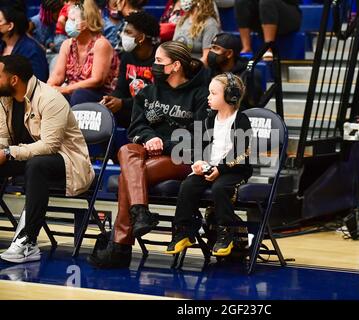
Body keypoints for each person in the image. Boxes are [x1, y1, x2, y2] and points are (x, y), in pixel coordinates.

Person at [87, 41, 210, 268]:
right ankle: (140, 212)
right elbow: (135, 128)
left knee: (128, 176)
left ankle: (120, 245)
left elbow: (200, 136)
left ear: (175, 66)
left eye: (158, 61)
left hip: (182, 157)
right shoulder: (147, 92)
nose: (153, 66)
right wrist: (147, 137)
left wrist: (162, 143)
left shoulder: (201, 95)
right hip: (147, 152)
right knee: (126, 149)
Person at [0, 55, 94, 264]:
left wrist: (7, 152)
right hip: (28, 155)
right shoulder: (4, 99)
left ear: (14, 80)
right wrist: (2, 150)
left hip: (67, 161)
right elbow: (3, 138)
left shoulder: (50, 98)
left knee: (37, 165)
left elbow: (49, 146)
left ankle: (28, 242)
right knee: (28, 163)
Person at [166, 73, 252, 256]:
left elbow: (241, 152)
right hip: (210, 167)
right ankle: (183, 231)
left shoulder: (241, 120)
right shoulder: (208, 119)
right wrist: (198, 162)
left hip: (234, 170)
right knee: (188, 185)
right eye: (209, 93)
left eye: (213, 93)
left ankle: (226, 233)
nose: (208, 97)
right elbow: (199, 146)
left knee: (220, 188)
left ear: (230, 96)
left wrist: (220, 169)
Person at [47, 0, 119, 106]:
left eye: (71, 20)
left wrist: (66, 89)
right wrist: (49, 88)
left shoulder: (101, 44)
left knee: (79, 95)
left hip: (101, 97)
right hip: (73, 92)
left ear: (85, 24)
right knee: (52, 96)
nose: (66, 23)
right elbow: (58, 75)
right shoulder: (67, 44)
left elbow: (96, 80)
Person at [101, 11, 160, 128]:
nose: (123, 35)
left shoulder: (160, 57)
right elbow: (121, 89)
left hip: (154, 110)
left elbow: (158, 97)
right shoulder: (127, 56)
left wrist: (123, 103)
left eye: (128, 32)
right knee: (104, 114)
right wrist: (111, 99)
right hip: (131, 108)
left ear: (141, 38)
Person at [207, 33, 263, 109]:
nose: (211, 52)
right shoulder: (210, 71)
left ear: (229, 53)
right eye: (211, 48)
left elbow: (252, 106)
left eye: (216, 48)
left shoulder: (249, 74)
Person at [234, 0, 302, 61]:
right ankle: (246, 47)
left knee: (267, 1)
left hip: (287, 14)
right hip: (262, 15)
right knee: (241, 2)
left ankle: (268, 49)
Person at [0, 6, 49, 82]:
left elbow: (38, 82)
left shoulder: (32, 50)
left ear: (10, 26)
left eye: (0, 21)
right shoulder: (2, 45)